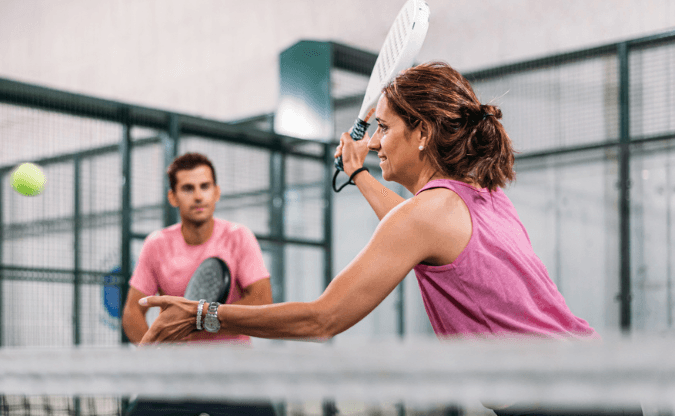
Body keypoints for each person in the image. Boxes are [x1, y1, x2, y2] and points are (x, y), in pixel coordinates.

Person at [138, 63, 638, 416]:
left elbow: (322, 319)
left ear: (420, 132)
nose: (374, 140)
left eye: (383, 127)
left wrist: (203, 316)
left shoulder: (427, 215)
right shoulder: (475, 195)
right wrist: (358, 174)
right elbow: (409, 226)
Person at [122, 152, 276, 416]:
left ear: (216, 192)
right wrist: (156, 353)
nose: (198, 196)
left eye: (205, 186)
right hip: (176, 374)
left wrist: (200, 319)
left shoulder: (239, 237)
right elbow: (132, 312)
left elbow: (262, 301)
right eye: (187, 188)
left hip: (235, 370)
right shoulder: (156, 244)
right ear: (172, 197)